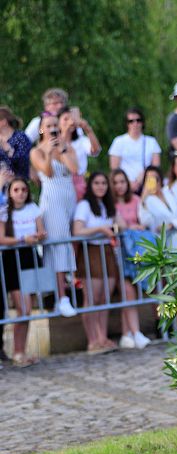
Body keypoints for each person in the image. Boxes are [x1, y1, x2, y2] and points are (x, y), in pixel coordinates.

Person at [29, 114, 78, 317]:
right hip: (52, 200)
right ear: (41, 129)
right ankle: (61, 297)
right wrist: (49, 152)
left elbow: (75, 169)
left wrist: (62, 148)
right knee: (58, 246)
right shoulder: (36, 151)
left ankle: (73, 290)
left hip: (68, 197)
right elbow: (47, 173)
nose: (52, 129)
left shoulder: (65, 146)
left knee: (71, 244)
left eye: (55, 125)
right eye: (48, 126)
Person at [0, 177, 46, 367]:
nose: (21, 193)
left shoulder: (33, 208)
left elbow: (42, 232)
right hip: (12, 260)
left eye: (24, 190)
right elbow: (2, 239)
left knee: (28, 308)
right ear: (10, 193)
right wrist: (22, 239)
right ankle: (17, 351)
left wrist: (38, 237)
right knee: (23, 309)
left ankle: (21, 351)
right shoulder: (4, 212)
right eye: (16, 190)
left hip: (30, 257)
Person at [72, 172, 119, 354]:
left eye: (104, 183)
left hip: (107, 251)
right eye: (97, 183)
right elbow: (77, 230)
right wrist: (100, 229)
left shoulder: (107, 205)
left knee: (104, 299)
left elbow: (118, 223)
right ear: (91, 185)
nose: (101, 186)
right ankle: (92, 340)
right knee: (91, 298)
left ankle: (102, 337)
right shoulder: (84, 205)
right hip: (90, 251)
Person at [110, 169, 151, 350]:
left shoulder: (135, 200)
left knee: (132, 291)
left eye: (122, 181)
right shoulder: (110, 204)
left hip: (136, 251)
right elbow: (119, 225)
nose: (119, 186)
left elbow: (144, 220)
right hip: (119, 253)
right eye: (116, 182)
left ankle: (128, 334)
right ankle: (134, 333)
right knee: (127, 291)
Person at [109, 107, 162, 192]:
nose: (135, 123)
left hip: (147, 185)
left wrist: (141, 178)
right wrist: (128, 183)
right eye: (131, 121)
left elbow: (156, 166)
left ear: (142, 122)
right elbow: (114, 168)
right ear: (127, 124)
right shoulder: (119, 141)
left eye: (138, 120)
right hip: (124, 186)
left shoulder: (151, 142)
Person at [138, 166, 177, 249]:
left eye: (155, 178)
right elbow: (145, 221)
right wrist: (144, 197)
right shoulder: (146, 200)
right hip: (161, 243)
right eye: (149, 179)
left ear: (160, 180)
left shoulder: (169, 192)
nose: (153, 182)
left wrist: (172, 224)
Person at [0, 107, 32, 179]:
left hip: (18, 182)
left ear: (3, 122)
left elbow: (24, 161)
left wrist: (8, 150)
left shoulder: (20, 137)